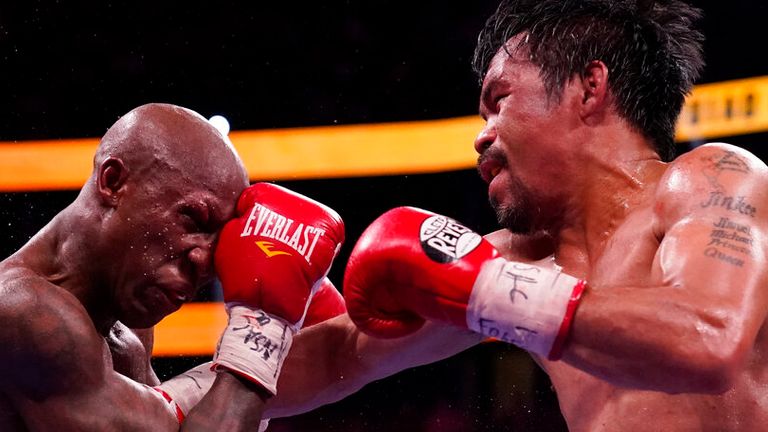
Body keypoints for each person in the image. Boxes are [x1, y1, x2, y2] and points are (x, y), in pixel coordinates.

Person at [256, 1, 768, 431]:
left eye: (499, 101)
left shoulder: (711, 177)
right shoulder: (510, 261)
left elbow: (707, 338)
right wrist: (192, 393)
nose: (481, 136)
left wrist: (490, 291)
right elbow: (339, 355)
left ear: (589, 87)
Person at [0, 102, 347, 431]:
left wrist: (387, 338)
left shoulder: (128, 324)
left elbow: (173, 422)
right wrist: (263, 330)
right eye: (193, 219)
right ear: (113, 182)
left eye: (216, 244)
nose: (202, 259)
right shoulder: (23, 314)